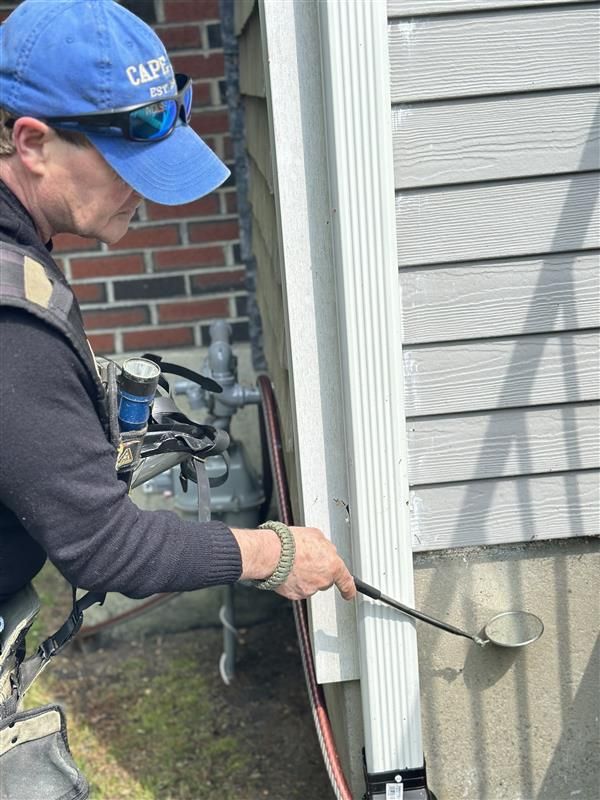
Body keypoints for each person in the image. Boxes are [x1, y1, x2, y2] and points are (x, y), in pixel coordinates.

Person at [0, 0, 356, 616]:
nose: (144, 190)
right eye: (126, 166)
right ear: (33, 143)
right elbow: (105, 546)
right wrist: (274, 554)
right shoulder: (12, 321)